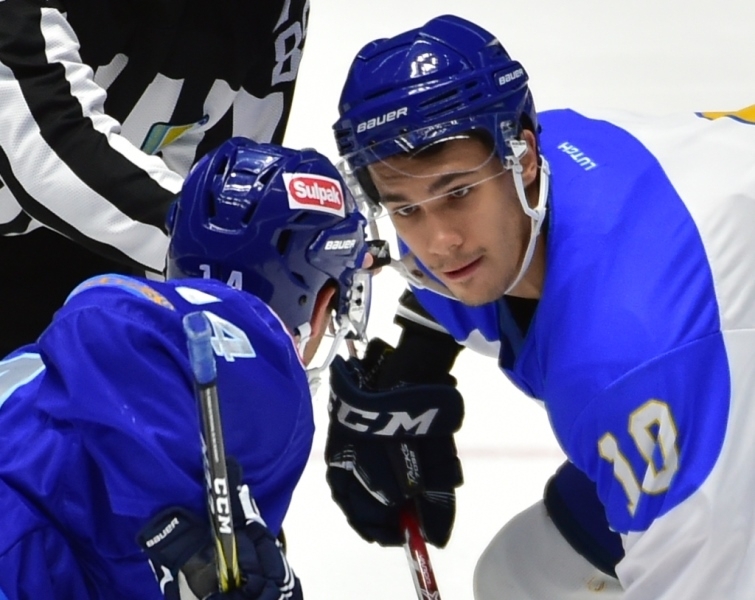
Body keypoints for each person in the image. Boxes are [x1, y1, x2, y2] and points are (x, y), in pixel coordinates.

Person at [322, 13, 755, 600]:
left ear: (524, 157)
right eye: (406, 209)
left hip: (697, 354)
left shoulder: (635, 359)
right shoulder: (535, 162)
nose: (438, 243)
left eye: (457, 193)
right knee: (524, 577)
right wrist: (418, 357)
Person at [0, 136, 374, 600]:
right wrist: (181, 536)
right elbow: (102, 318)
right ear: (319, 299)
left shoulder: (159, 364)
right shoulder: (262, 355)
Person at [0, 0, 308, 357]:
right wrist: (233, 242)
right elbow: (42, 143)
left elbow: (231, 179)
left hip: (109, 237)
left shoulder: (273, 9)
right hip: (88, 212)